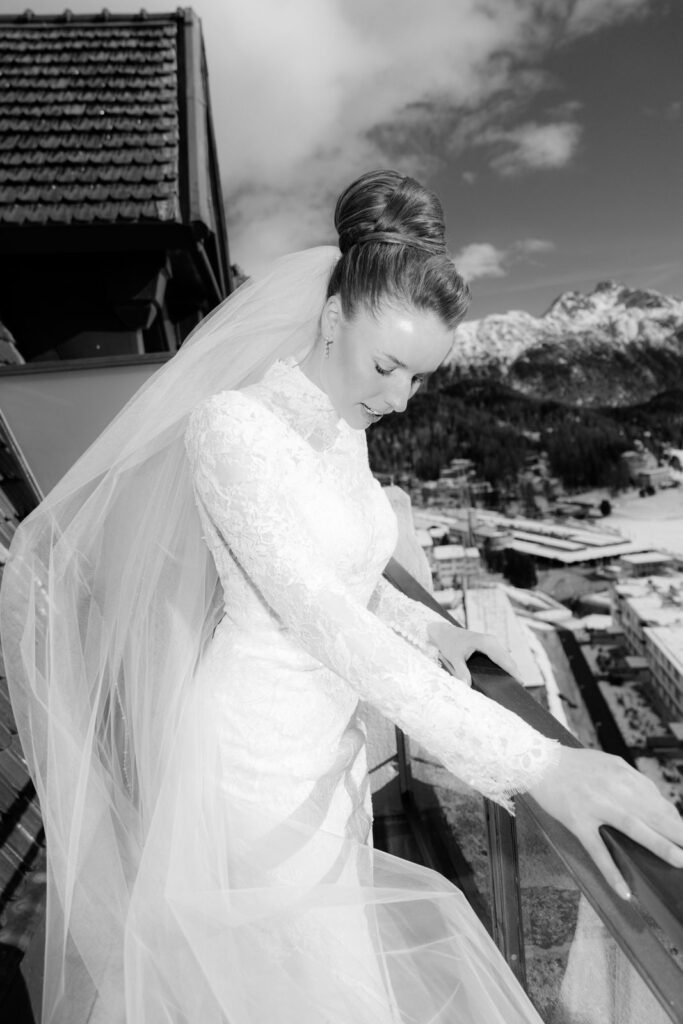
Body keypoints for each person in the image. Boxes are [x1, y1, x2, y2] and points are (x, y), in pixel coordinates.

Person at [1, 169, 681, 1024]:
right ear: (330, 317)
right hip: (253, 770)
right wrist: (540, 764)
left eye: (419, 380)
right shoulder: (232, 427)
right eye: (387, 366)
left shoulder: (339, 426)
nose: (398, 400)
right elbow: (320, 621)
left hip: (328, 760)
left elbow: (346, 577)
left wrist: (425, 626)